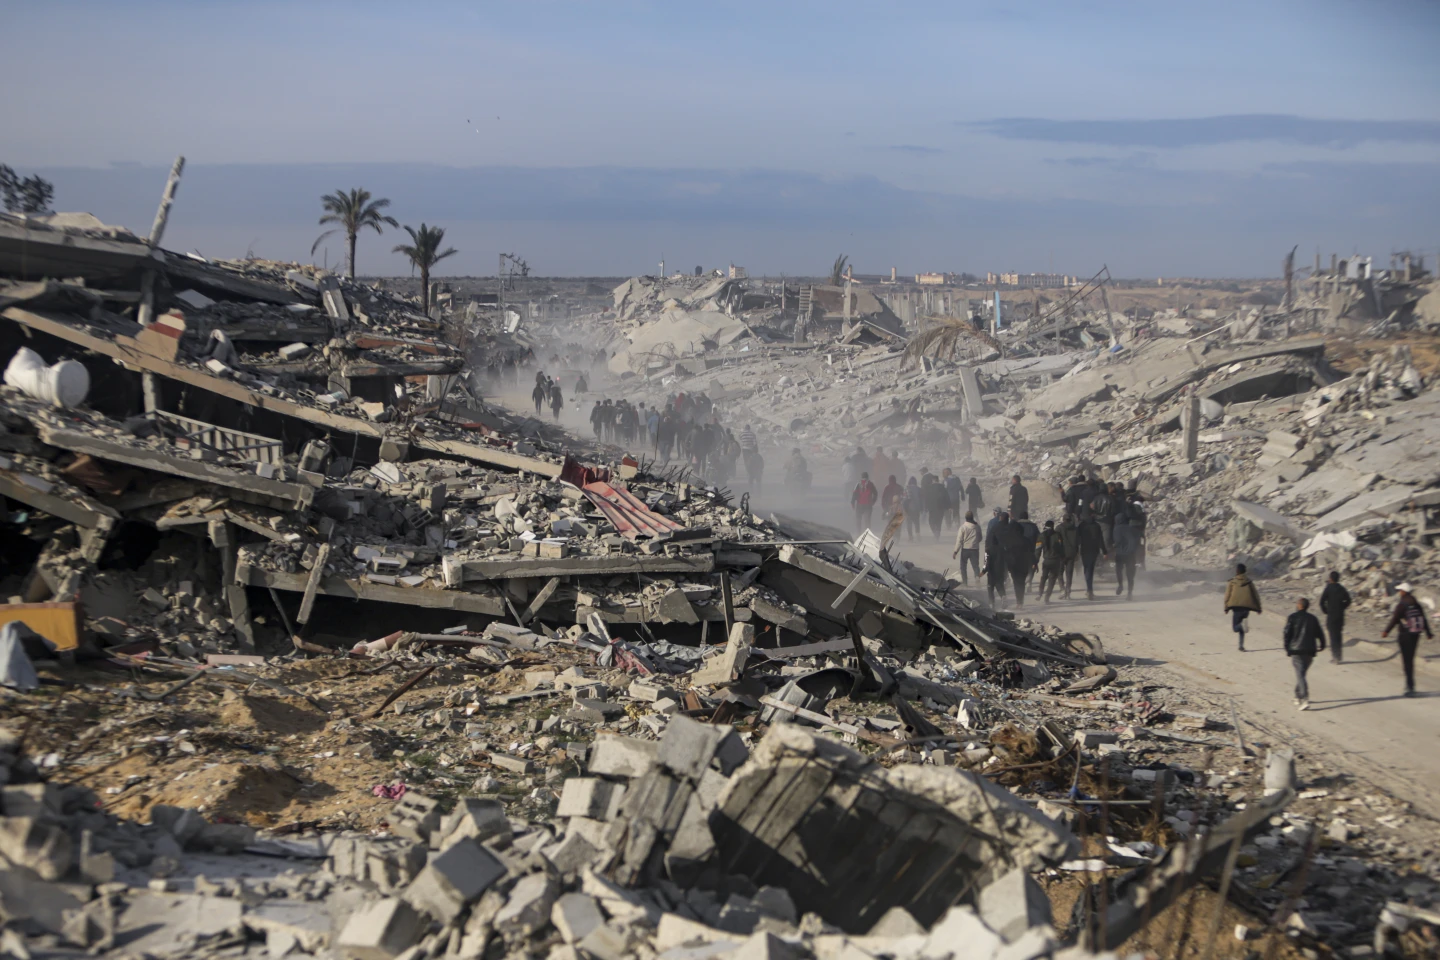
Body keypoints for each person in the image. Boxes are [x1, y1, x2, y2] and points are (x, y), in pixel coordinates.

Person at [1381, 583, 1432, 697]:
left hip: (1404, 635)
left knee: (1407, 661)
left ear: (1404, 592)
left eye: (1400, 591)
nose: (1399, 592)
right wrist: (1428, 633)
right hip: (1416, 635)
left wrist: (1386, 632)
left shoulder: (1402, 605)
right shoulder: (1416, 604)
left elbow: (1394, 619)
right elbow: (1424, 619)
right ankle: (1410, 685)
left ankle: (1410, 687)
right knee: (1410, 659)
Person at [1283, 597, 1326, 710]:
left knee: (1300, 675)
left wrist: (1287, 647)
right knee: (1301, 674)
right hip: (1310, 650)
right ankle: (1297, 696)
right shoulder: (1313, 618)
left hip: (1296, 650)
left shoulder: (1293, 617)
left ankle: (1305, 698)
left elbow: (1287, 633)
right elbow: (1320, 633)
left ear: (1299, 605)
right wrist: (1322, 644)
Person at [1224, 563, 1263, 651]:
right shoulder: (1249, 582)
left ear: (1237, 571)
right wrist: (1258, 607)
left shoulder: (1232, 582)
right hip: (1246, 608)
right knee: (1242, 628)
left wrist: (1226, 607)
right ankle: (1241, 646)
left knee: (1235, 628)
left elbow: (1227, 595)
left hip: (1236, 607)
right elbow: (1255, 595)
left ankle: (1241, 629)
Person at [1004, 511, 1036, 606]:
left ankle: (1019, 602)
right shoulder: (1026, 540)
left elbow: (1006, 553)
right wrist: (1034, 563)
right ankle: (1020, 601)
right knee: (1021, 583)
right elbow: (1031, 553)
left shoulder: (1009, 541)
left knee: (1016, 582)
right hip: (1024, 565)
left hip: (1013, 565)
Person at [1319, 572, 1351, 664]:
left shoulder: (1328, 588)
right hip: (1340, 616)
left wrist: (1326, 611)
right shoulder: (1341, 588)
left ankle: (1335, 657)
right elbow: (1348, 600)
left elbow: (1321, 602)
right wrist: (1342, 607)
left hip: (1331, 616)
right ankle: (1339, 656)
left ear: (1330, 579)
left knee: (1333, 637)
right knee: (1338, 636)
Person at [1077, 509, 1106, 600]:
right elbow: (1101, 540)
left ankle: (1089, 589)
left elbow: (1077, 539)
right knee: (1091, 569)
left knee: (1086, 569)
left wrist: (1076, 550)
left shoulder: (1081, 525)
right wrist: (1104, 551)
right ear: (1092, 515)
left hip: (1084, 550)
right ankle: (1090, 590)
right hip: (1094, 550)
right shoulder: (1096, 525)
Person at [984, 511, 1011, 607]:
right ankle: (1003, 595)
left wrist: (984, 568)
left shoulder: (994, 528)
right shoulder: (1010, 528)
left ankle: (992, 603)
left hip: (993, 558)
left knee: (990, 584)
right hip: (1004, 558)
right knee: (1000, 580)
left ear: (1000, 518)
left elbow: (987, 542)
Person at [1038, 519, 1066, 603]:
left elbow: (1037, 549)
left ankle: (1040, 593)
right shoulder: (1057, 535)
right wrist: (1063, 557)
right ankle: (1047, 597)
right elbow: (1061, 548)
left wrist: (1035, 561)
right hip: (1055, 561)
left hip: (1046, 561)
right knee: (1052, 580)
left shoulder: (1041, 536)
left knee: (1044, 577)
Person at [1112, 514, 1139, 600]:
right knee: (1130, 575)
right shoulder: (1132, 528)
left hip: (1120, 554)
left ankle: (1120, 585)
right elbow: (1137, 540)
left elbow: (1117, 540)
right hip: (1131, 554)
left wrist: (1113, 546)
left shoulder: (1117, 529)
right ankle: (1130, 593)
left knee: (1119, 570)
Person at [952, 510, 982, 585]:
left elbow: (959, 540)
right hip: (975, 549)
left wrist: (955, 551)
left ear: (965, 518)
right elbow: (980, 538)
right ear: (972, 517)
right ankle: (977, 577)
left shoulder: (963, 527)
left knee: (963, 567)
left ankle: (965, 583)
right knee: (975, 566)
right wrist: (975, 542)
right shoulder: (977, 527)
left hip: (965, 549)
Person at [1059, 512, 1080, 600]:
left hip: (1061, 553)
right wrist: (1077, 552)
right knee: (1069, 573)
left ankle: (1062, 589)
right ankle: (1068, 590)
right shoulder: (1075, 529)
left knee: (1060, 572)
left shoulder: (1059, 528)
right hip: (1072, 553)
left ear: (1063, 519)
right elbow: (1078, 542)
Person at [924, 473, 949, 541]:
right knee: (939, 521)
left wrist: (926, 507)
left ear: (933, 480)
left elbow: (926, 498)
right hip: (941, 507)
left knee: (931, 521)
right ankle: (937, 533)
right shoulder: (942, 487)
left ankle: (935, 531)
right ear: (938, 480)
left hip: (932, 507)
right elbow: (946, 497)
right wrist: (948, 506)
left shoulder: (929, 488)